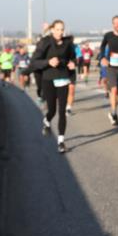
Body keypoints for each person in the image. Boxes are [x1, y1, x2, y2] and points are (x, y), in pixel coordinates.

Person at [31, 20, 77, 153]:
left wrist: (73, 63)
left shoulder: (68, 43)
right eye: (57, 29)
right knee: (52, 110)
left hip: (62, 78)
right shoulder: (45, 42)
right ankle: (47, 120)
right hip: (48, 79)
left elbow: (73, 58)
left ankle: (61, 142)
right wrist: (48, 62)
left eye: (62, 29)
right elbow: (35, 62)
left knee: (62, 111)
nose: (60, 32)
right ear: (52, 30)